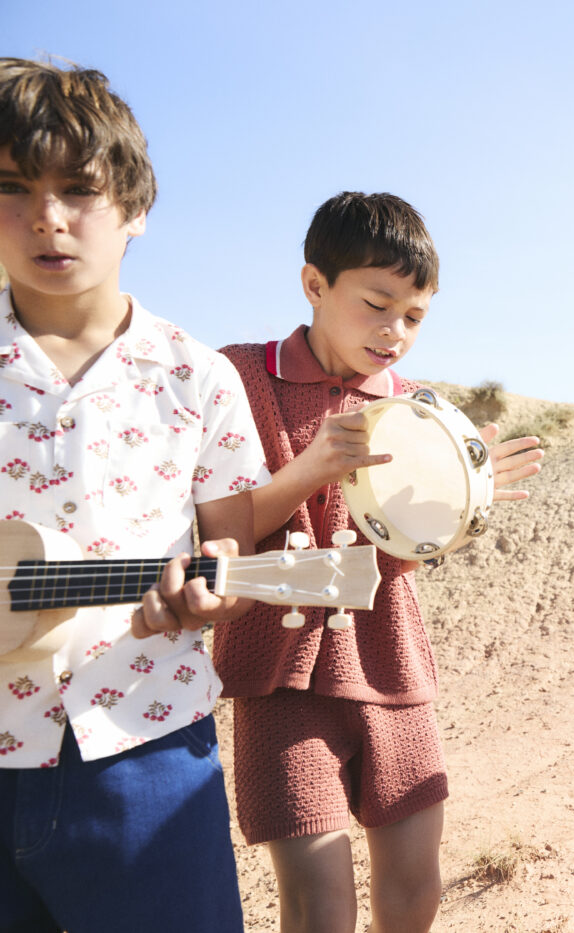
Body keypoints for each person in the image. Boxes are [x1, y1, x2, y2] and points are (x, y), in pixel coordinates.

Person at [216, 191, 543, 933]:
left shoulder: (419, 409)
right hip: (278, 676)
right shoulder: (238, 378)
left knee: (414, 886)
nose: (395, 332)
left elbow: (401, 555)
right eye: (377, 303)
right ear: (314, 285)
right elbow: (214, 531)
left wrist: (456, 497)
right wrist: (306, 471)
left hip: (390, 662)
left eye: (415, 316)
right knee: (318, 905)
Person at [0, 58, 270, 931]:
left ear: (136, 207)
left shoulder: (199, 377)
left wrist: (204, 592)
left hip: (145, 748)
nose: (47, 217)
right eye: (12, 187)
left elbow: (232, 546)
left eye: (79, 189)